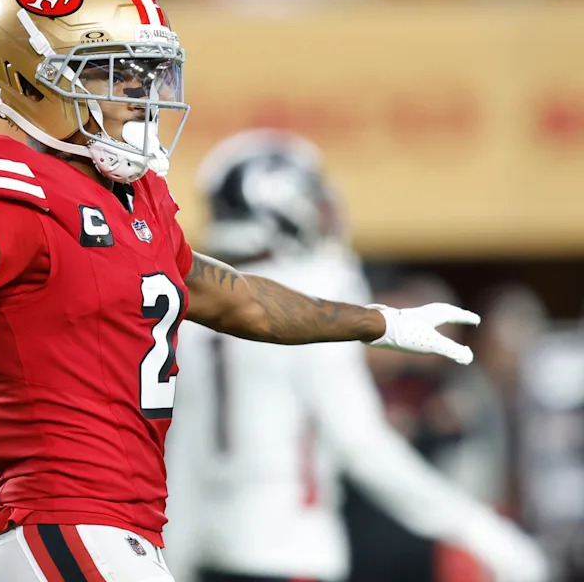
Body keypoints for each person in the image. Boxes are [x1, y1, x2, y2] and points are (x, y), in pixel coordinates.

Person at [0, 0, 482, 582]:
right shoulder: (15, 185)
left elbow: (241, 301)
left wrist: (379, 323)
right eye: (113, 73)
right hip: (62, 524)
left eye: (146, 73)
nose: (139, 94)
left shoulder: (139, 203)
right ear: (33, 81)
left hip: (117, 533)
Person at [162, 129, 549, 582]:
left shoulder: (198, 302)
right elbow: (361, 443)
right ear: (281, 209)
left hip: (211, 552)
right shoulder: (312, 285)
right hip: (291, 554)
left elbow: (179, 454)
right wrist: (478, 529)